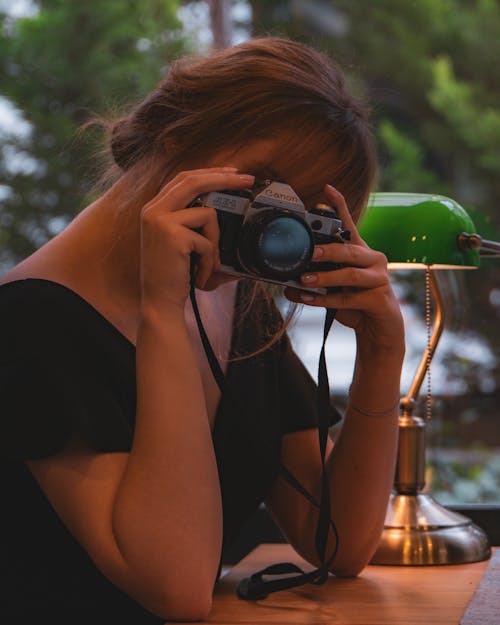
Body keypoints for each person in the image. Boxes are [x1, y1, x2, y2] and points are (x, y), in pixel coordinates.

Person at [0, 37, 404, 623]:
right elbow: (177, 589)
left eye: (300, 209)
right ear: (177, 140)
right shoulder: (31, 321)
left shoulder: (235, 299)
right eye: (261, 184)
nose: (274, 225)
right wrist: (164, 312)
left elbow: (337, 544)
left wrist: (381, 353)